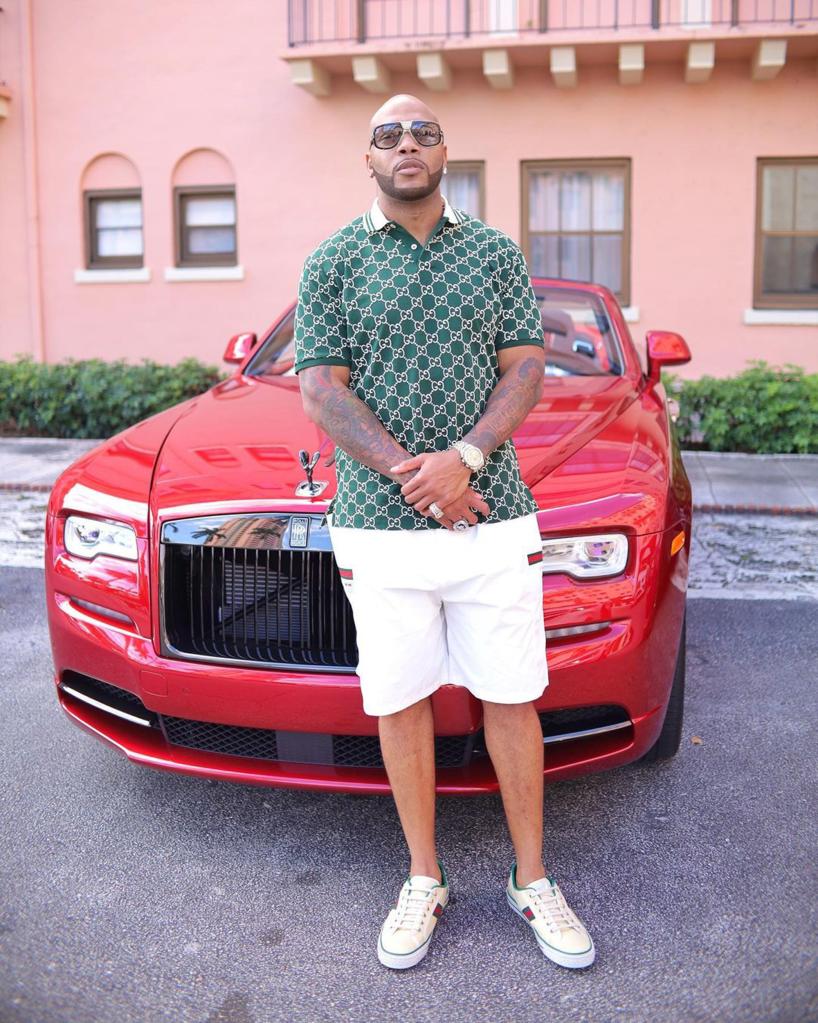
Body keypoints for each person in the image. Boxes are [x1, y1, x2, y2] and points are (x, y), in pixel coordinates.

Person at [293, 94, 595, 971]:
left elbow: (527, 367)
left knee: (511, 695)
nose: (407, 145)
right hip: (379, 531)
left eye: (422, 131)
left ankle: (531, 878)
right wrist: (419, 479)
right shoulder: (334, 260)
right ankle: (424, 877)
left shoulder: (496, 254)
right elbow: (320, 388)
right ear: (369, 159)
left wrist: (465, 455)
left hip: (492, 519)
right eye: (388, 135)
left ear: (446, 150)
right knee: (400, 699)